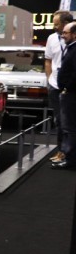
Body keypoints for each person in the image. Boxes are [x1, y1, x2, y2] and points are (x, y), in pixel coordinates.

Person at [45, 11, 73, 162]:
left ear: (66, 23)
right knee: (59, 121)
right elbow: (48, 60)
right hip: (54, 86)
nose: (54, 27)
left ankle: (67, 153)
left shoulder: (72, 39)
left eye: (56, 24)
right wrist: (49, 79)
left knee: (68, 122)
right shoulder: (51, 38)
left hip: (70, 87)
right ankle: (61, 151)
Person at [51, 21, 76, 169]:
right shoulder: (71, 48)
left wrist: (67, 87)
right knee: (69, 128)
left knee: (70, 128)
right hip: (69, 93)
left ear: (74, 34)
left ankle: (71, 160)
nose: (63, 35)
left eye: (66, 33)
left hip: (71, 95)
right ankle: (69, 157)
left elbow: (74, 73)